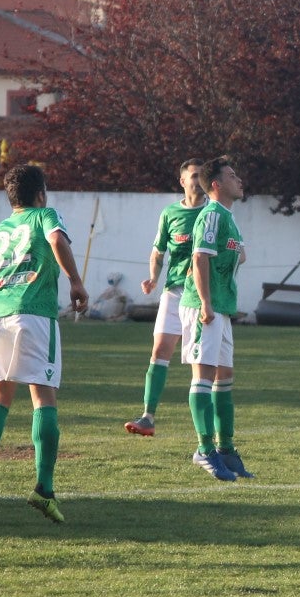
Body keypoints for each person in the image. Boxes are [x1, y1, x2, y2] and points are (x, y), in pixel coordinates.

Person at [0, 164, 89, 524]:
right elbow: (57, 240)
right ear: (40, 193)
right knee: (43, 398)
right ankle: (44, 489)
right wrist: (75, 281)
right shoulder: (45, 215)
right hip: (34, 313)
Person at [178, 156, 254, 480]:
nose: (239, 180)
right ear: (216, 184)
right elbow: (199, 257)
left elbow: (235, 253)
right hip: (203, 307)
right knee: (204, 377)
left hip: (221, 307)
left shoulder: (228, 217)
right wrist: (206, 304)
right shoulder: (210, 215)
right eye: (232, 175)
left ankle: (225, 447)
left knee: (225, 378)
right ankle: (204, 449)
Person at [125, 159, 206, 437]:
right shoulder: (170, 213)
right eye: (193, 176)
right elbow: (158, 252)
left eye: (201, 176)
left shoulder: (215, 212)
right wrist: (153, 278)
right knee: (160, 350)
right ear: (182, 181)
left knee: (202, 361)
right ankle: (148, 416)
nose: (198, 180)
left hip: (202, 295)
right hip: (175, 291)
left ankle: (207, 429)